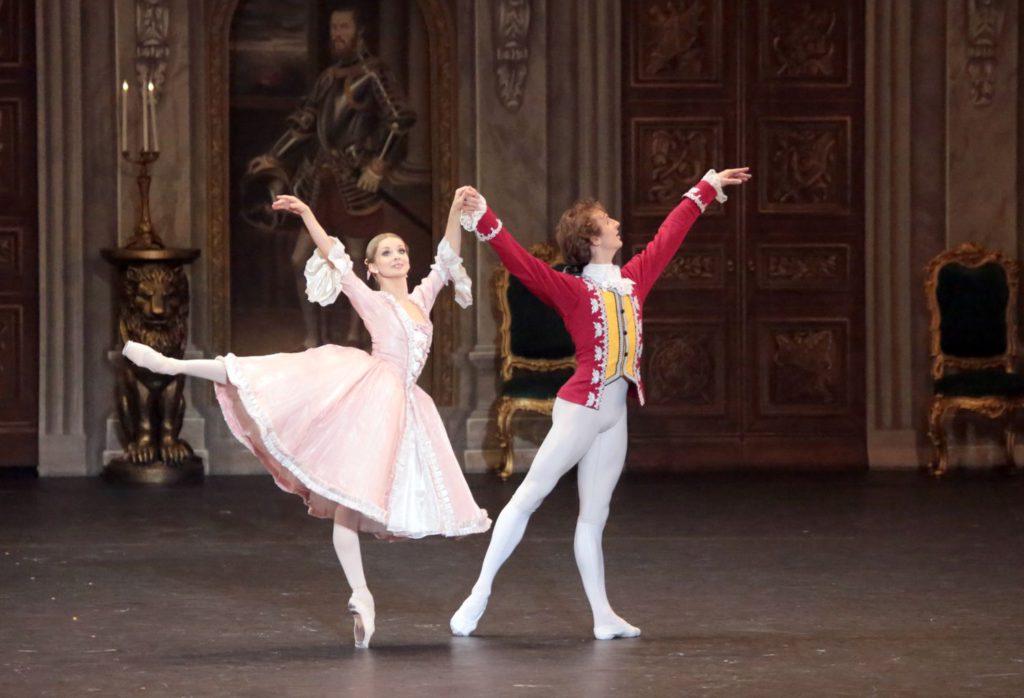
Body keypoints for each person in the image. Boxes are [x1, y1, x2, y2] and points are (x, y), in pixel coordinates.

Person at [123, 188, 490, 649]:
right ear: (373, 267)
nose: (397, 256)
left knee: (352, 504)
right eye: (386, 252)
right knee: (266, 375)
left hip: (405, 406)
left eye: (401, 250)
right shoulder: (371, 297)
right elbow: (334, 255)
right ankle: (172, 365)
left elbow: (446, 258)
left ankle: (361, 599)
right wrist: (308, 213)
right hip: (370, 393)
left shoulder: (422, 297)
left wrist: (456, 210)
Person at [450, 168, 751, 640]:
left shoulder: (631, 281)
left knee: (594, 516)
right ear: (590, 237)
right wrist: (484, 215)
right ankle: (479, 593)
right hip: (581, 410)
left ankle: (602, 615)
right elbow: (521, 264)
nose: (615, 223)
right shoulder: (572, 291)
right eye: (606, 219)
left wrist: (706, 189)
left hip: (614, 417)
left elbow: (668, 238)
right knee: (529, 497)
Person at [240, 4, 417, 347]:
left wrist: (378, 165)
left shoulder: (373, 74)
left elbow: (399, 119)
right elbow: (305, 122)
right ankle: (312, 337)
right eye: (334, 28)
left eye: (344, 28)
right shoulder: (327, 78)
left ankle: (356, 334)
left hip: (356, 181)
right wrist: (272, 155)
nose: (338, 35)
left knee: (358, 264)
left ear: (359, 32)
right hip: (321, 178)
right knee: (299, 259)